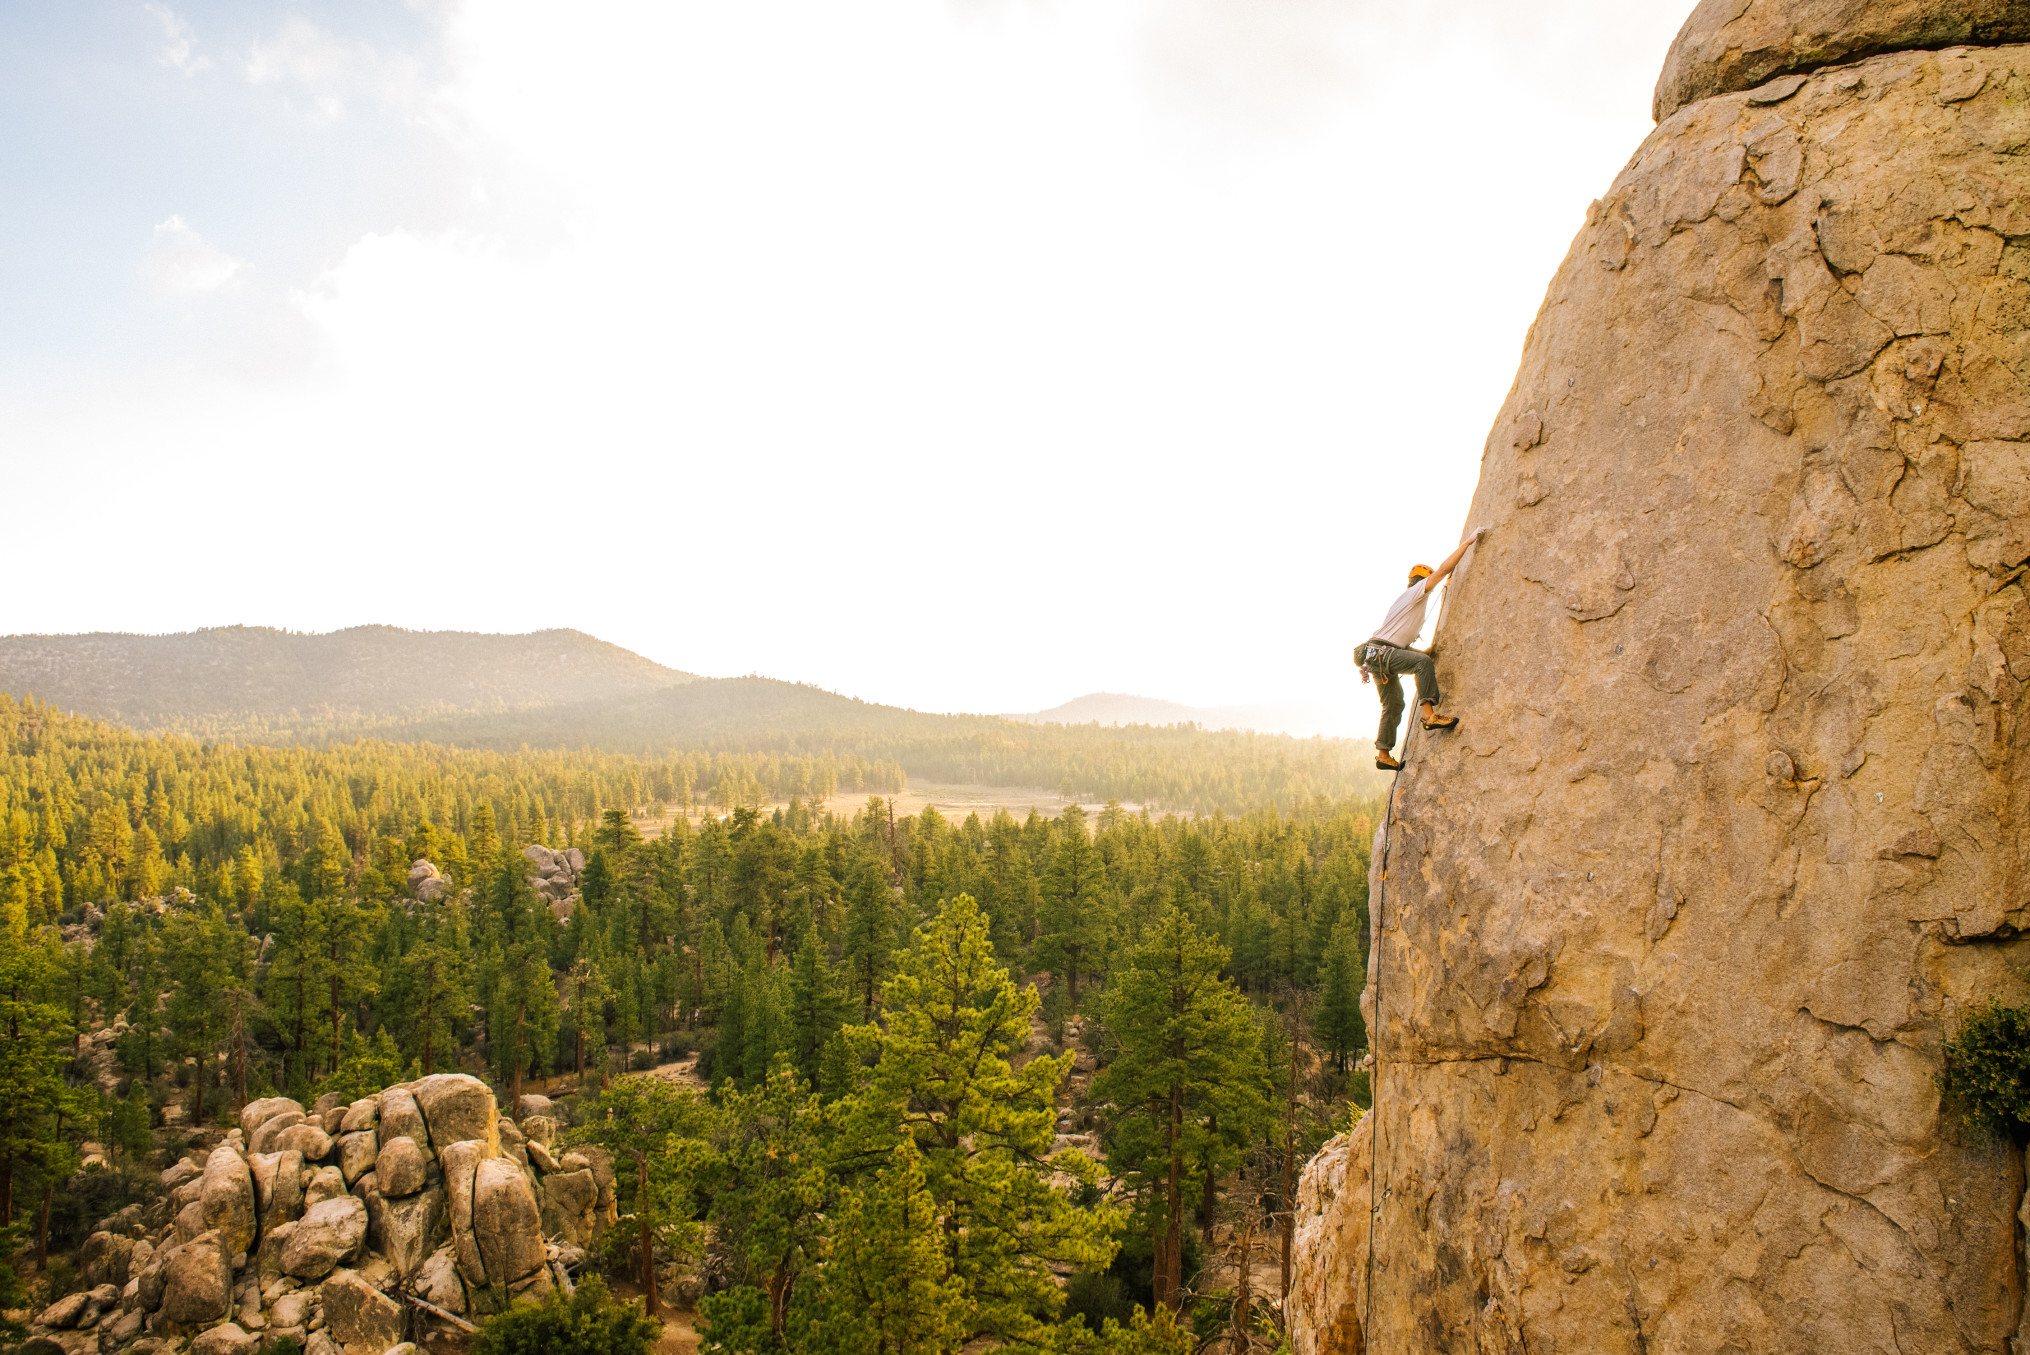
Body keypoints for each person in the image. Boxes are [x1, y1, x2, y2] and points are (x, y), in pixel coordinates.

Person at [1358, 527, 1485, 772]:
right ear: (1421, 581)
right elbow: (1444, 569)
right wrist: (1468, 542)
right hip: (1383, 654)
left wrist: (1426, 651)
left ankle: (1383, 754)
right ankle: (1429, 716)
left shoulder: (1404, 601)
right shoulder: (1415, 593)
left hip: (1377, 655)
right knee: (1422, 664)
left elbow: (1394, 641)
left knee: (1394, 704)